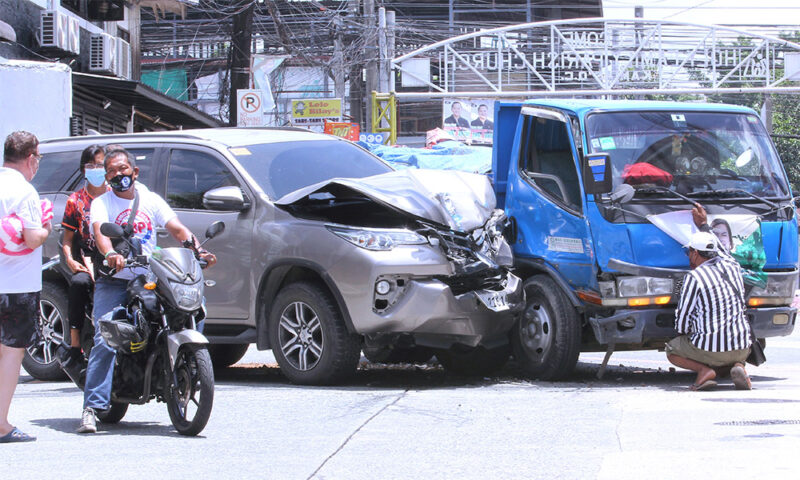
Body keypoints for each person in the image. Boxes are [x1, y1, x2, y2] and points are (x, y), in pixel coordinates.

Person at [78, 147, 216, 434]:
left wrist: (199, 249)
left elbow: (176, 228)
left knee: (195, 304)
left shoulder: (150, 199)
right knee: (105, 336)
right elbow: (101, 234)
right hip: (115, 279)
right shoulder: (102, 203)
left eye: (122, 170)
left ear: (135, 172)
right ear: (106, 177)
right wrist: (110, 256)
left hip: (150, 276)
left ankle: (187, 369)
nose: (118, 175)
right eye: (112, 172)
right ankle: (91, 407)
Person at [666, 205, 752, 391]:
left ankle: (705, 371)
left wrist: (684, 333)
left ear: (695, 253)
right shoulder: (733, 266)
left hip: (709, 350)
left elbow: (683, 319)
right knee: (728, 347)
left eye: (688, 252)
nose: (688, 256)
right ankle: (738, 366)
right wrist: (703, 225)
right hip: (743, 348)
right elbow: (721, 248)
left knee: (672, 350)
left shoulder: (694, 277)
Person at [0, 131, 51, 443]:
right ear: (31, 158)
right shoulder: (25, 191)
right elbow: (33, 239)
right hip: (16, 285)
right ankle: (1, 425)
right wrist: (45, 227)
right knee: (11, 353)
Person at [56, 145, 108, 379]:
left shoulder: (114, 195)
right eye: (91, 166)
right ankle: (75, 346)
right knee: (78, 284)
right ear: (83, 169)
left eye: (100, 165)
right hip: (87, 260)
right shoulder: (75, 201)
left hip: (115, 258)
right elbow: (67, 239)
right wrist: (69, 259)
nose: (96, 170)